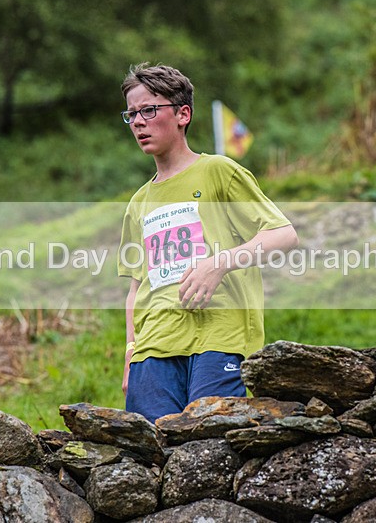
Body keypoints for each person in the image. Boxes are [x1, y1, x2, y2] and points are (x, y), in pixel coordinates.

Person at [118, 63, 299, 423]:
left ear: (183, 114)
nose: (138, 122)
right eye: (132, 114)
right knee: (152, 449)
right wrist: (131, 350)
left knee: (207, 443)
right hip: (153, 348)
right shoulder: (138, 202)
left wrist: (220, 263)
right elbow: (136, 287)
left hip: (219, 337)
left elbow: (284, 235)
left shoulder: (218, 171)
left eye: (149, 110)